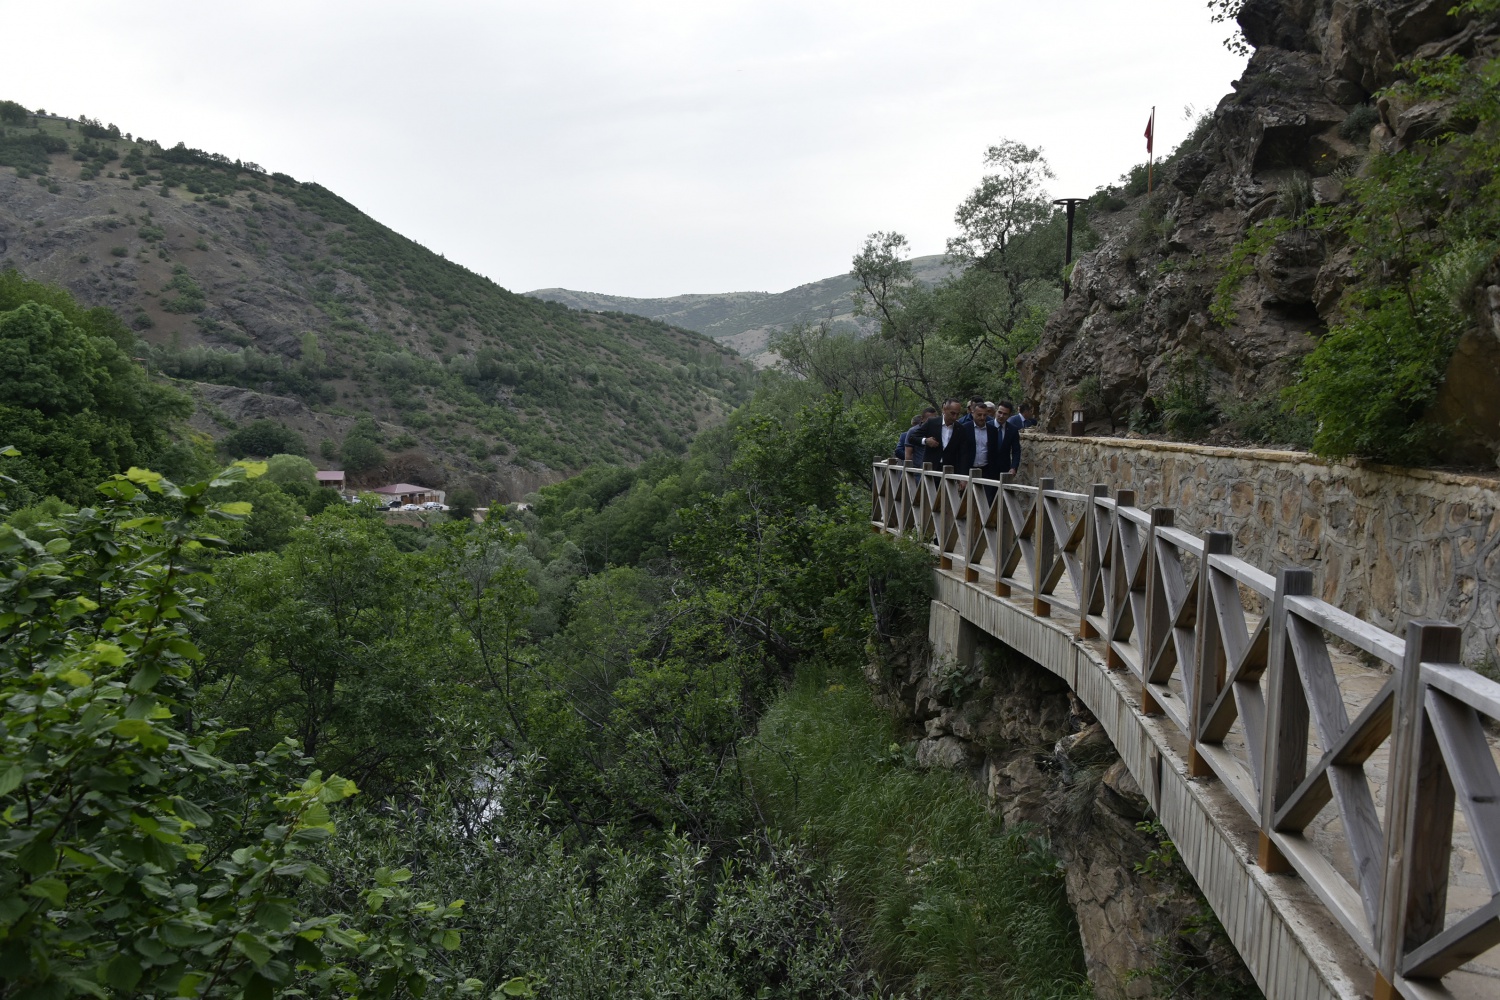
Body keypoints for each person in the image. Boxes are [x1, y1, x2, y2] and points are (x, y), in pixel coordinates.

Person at [909, 398, 965, 469]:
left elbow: (963, 453)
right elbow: (912, 437)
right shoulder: (932, 423)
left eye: (958, 414)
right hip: (930, 467)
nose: (955, 417)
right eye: (952, 413)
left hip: (950, 469)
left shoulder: (960, 428)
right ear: (944, 409)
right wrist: (926, 441)